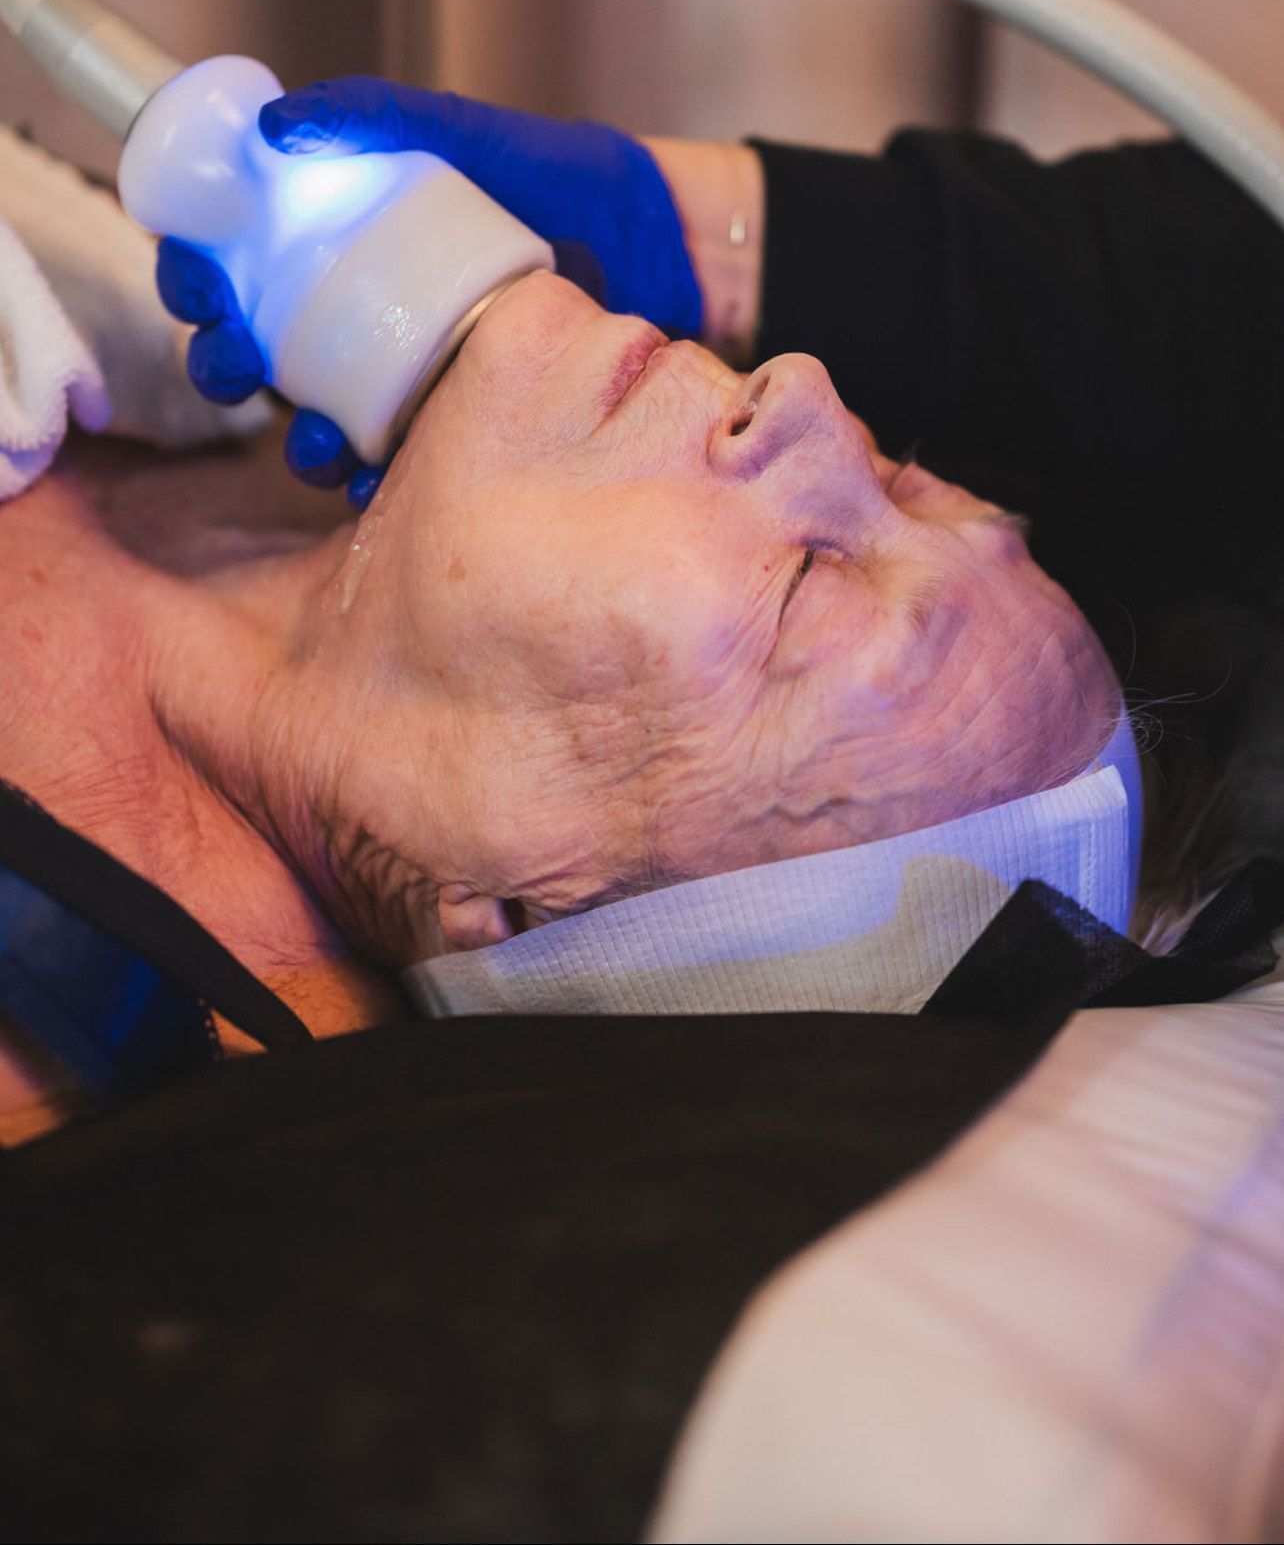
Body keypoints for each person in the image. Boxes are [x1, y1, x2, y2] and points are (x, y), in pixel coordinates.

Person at [3, 80, 1283, 1541]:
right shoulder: (191, 351)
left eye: (808, 577)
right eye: (902, 482)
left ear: (521, 884)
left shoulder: (59, 1013)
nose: (799, 392)